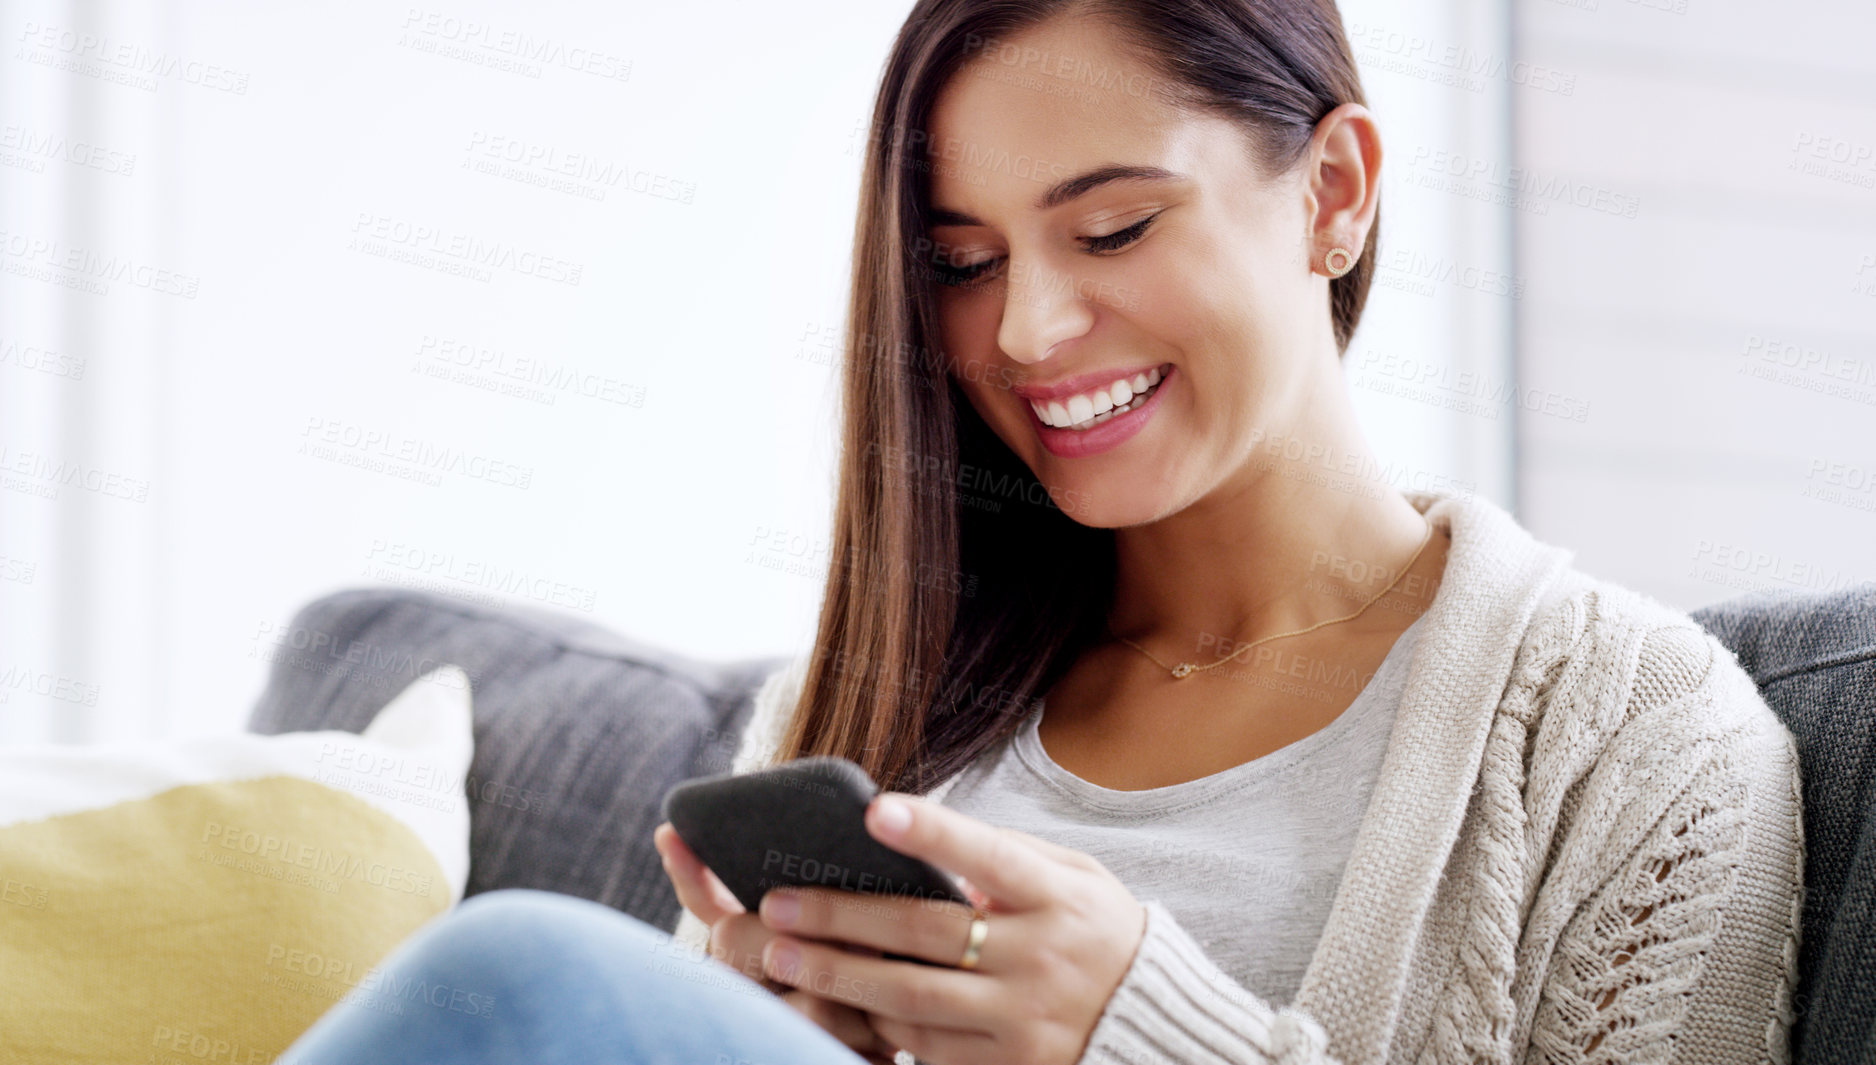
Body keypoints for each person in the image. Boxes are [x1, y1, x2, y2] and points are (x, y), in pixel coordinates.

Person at [279, 1, 1805, 1063]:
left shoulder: (1644, 743)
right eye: (959, 257)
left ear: (1332, 192)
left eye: (1114, 228)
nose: (1026, 327)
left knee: (520, 968)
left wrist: (1137, 1028)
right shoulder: (869, 695)